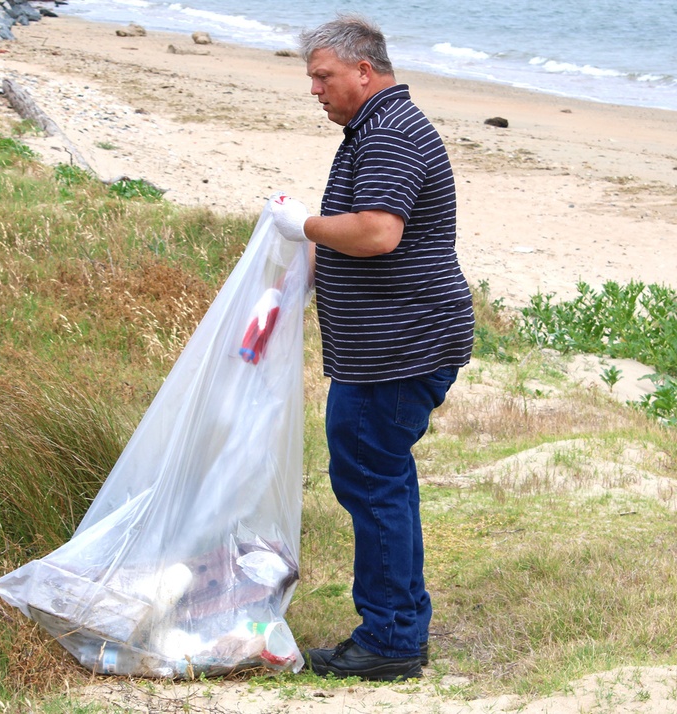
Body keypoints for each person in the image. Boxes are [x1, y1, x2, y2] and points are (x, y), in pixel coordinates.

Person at [270, 14, 475, 681]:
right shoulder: (380, 128)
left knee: (372, 478)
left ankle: (390, 640)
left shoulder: (389, 133)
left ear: (365, 70)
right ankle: (397, 624)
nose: (316, 91)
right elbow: (365, 233)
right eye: (312, 79)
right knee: (379, 476)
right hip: (390, 345)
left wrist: (300, 224)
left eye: (323, 77)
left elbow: (379, 232)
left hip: (402, 348)